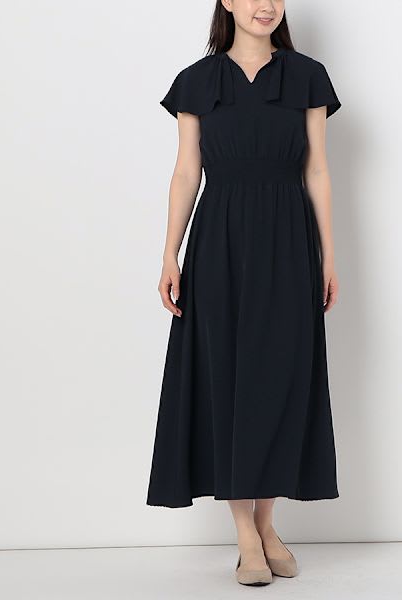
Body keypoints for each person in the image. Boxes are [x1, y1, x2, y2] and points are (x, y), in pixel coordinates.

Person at [146, 0, 342, 586]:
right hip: (220, 241)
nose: (265, 5)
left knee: (279, 377)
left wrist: (329, 255)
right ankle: (246, 535)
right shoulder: (196, 81)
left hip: (288, 238)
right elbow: (187, 172)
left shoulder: (307, 75)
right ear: (227, 2)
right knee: (226, 376)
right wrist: (170, 252)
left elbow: (316, 169)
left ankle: (267, 523)